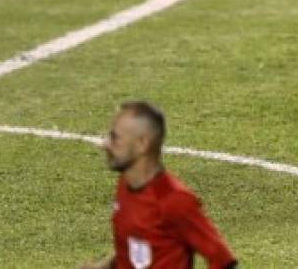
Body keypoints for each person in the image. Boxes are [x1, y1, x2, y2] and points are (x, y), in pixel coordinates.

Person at [80, 101, 236, 269]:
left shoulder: (174, 200)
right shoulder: (125, 185)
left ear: (142, 144)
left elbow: (223, 260)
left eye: (115, 137)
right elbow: (134, 250)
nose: (105, 144)